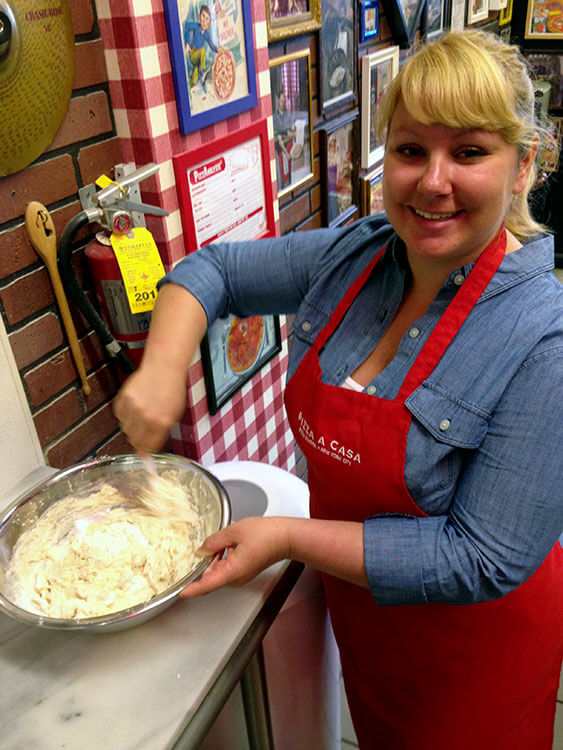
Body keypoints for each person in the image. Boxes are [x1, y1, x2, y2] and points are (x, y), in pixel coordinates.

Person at [114, 31, 563, 749]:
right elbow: (214, 271)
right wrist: (163, 367)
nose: (433, 181)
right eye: (412, 150)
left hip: (474, 650)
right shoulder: (354, 255)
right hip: (369, 618)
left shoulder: (543, 338)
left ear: (523, 166)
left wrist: (291, 537)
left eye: (470, 152)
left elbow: (482, 557)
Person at [183, 4, 221, 91]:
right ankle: (203, 72)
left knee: (194, 80)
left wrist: (217, 49)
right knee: (203, 50)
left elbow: (212, 46)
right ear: (199, 17)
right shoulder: (196, 26)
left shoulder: (207, 34)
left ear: (209, 22)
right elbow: (187, 27)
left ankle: (190, 87)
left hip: (198, 60)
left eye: (207, 19)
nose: (204, 20)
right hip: (193, 53)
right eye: (203, 16)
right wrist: (187, 43)